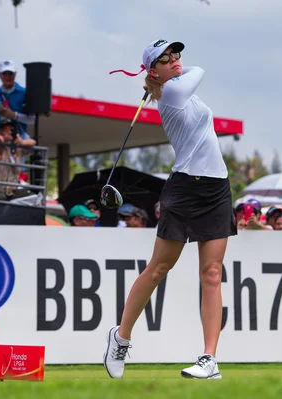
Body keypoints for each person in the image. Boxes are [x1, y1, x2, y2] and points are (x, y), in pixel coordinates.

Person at [104, 39, 236, 380]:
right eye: (166, 58)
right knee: (159, 268)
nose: (176, 61)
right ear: (154, 70)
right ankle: (121, 337)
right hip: (185, 187)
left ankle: (209, 358)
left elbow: (188, 73)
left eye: (177, 55)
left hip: (217, 187)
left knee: (212, 273)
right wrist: (159, 80)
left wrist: (159, 76)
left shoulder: (177, 91)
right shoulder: (174, 94)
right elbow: (200, 70)